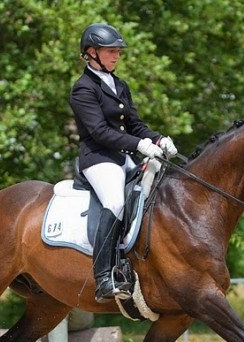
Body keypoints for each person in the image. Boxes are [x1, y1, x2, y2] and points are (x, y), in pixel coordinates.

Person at [69, 23, 178, 303]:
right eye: (111, 51)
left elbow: (134, 124)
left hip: (123, 157)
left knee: (160, 187)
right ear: (91, 53)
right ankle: (103, 277)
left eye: (118, 51)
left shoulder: (119, 85)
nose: (117, 56)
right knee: (115, 202)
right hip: (98, 159)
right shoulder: (83, 89)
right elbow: (99, 132)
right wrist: (139, 146)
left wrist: (157, 140)